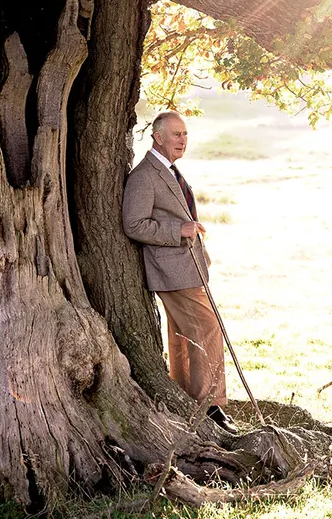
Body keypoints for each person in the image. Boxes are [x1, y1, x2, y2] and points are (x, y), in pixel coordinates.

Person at [122, 110, 238, 434]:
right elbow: (133, 224)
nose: (182, 140)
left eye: (185, 134)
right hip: (172, 271)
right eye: (176, 135)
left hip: (188, 268)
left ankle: (189, 400)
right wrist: (179, 229)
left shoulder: (171, 171)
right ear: (158, 137)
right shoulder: (145, 176)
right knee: (207, 329)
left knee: (184, 336)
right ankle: (210, 407)